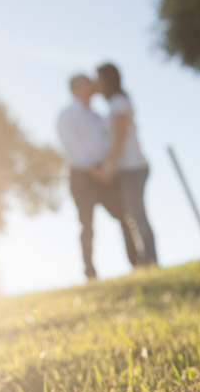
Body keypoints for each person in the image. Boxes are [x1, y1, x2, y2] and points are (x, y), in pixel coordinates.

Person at [57, 74, 137, 279]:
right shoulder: (68, 115)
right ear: (77, 88)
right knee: (87, 225)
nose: (93, 84)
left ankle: (137, 262)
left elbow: (107, 142)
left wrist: (108, 169)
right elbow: (71, 148)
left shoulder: (97, 116)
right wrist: (95, 172)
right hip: (83, 177)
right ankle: (90, 272)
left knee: (123, 215)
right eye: (87, 82)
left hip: (104, 173)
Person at [91, 63, 158, 266]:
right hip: (127, 169)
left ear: (106, 80)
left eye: (98, 79)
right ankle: (146, 259)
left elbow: (120, 136)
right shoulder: (115, 103)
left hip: (133, 167)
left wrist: (108, 167)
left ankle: (149, 260)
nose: (96, 84)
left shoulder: (118, 102)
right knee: (133, 213)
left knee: (136, 214)